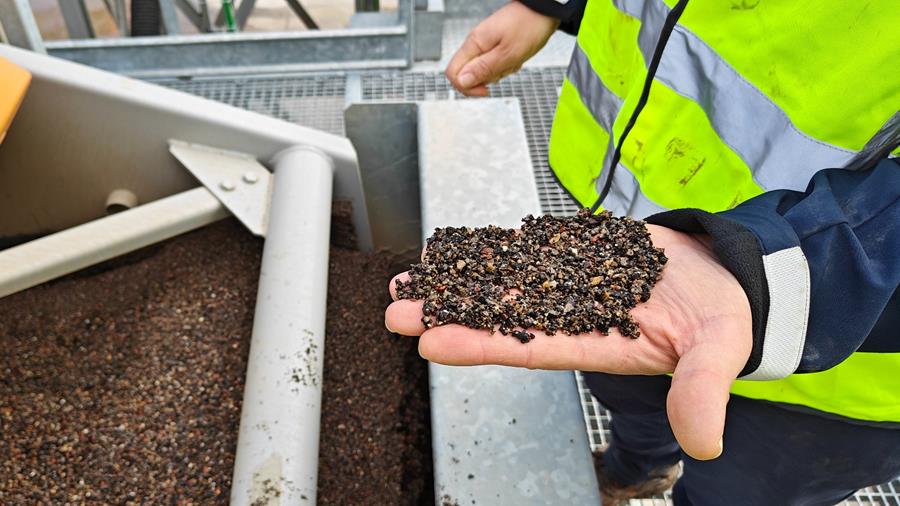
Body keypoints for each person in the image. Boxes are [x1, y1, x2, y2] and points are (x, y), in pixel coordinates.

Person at [385, 1, 900, 505]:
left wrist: (771, 271)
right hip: (632, 251)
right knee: (630, 403)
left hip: (836, 367)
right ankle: (636, 472)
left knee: (738, 488)